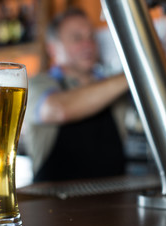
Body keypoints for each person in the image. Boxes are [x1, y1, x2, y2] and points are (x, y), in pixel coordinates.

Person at [24, 8, 131, 182]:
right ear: (52, 48)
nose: (88, 44)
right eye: (77, 38)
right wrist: (137, 73)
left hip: (114, 200)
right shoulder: (38, 85)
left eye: (91, 37)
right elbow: (59, 109)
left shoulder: (112, 85)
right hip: (53, 205)